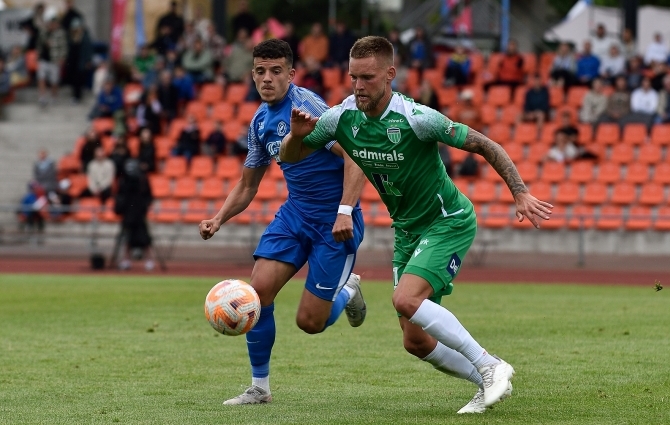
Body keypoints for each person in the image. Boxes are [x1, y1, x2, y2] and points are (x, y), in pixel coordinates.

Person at [279, 36, 553, 414]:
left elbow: (485, 145)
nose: (358, 86)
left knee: (406, 299)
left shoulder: (416, 118)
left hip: (447, 221)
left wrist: (520, 193)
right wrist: (295, 136)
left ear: (390, 74)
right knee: (415, 341)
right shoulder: (341, 118)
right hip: (407, 231)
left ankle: (490, 365)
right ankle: (486, 382)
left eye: (368, 77)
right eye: (353, 77)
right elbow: (291, 157)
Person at [198, 39, 368, 405]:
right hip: (295, 215)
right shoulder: (260, 121)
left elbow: (355, 156)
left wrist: (345, 210)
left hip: (333, 221)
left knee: (310, 322)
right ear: (252, 75)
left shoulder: (308, 108)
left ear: (290, 74)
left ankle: (349, 290)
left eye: (275, 71)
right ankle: (260, 388)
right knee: (257, 295)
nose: (267, 78)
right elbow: (248, 185)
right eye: (260, 71)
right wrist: (218, 218)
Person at [115, 159, 156, 271]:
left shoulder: (143, 179)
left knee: (144, 238)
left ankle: (149, 260)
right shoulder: (123, 181)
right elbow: (119, 196)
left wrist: (144, 207)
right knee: (127, 238)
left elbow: (149, 196)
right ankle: (126, 260)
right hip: (128, 213)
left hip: (139, 213)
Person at [37, 17, 67, 105]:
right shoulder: (43, 32)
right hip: (43, 59)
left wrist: (62, 58)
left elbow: (64, 47)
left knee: (54, 80)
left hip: (54, 59)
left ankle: (54, 96)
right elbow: (39, 43)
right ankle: (42, 97)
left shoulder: (60, 33)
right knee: (41, 77)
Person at [64, 19, 92, 103]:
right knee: (73, 78)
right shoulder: (70, 37)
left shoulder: (84, 37)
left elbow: (88, 50)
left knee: (79, 78)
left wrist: (88, 60)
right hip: (72, 61)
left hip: (81, 61)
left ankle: (78, 96)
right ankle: (75, 95)